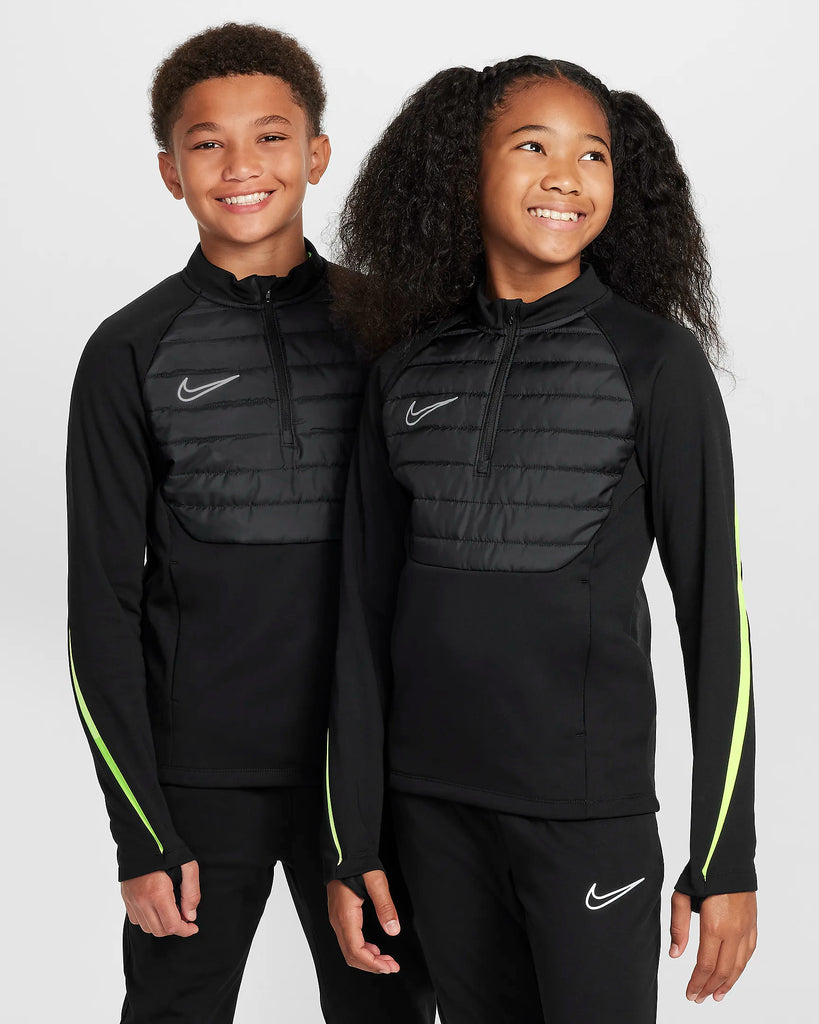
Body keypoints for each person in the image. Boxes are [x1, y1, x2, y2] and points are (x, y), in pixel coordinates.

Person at [323, 56, 757, 1023]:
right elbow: (359, 618)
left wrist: (724, 854)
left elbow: (714, 622)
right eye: (532, 146)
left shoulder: (655, 363)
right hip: (430, 810)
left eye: (592, 155)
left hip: (586, 814)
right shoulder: (404, 367)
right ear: (463, 168)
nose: (566, 176)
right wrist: (350, 842)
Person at [66, 22, 433, 1024]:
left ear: (316, 154)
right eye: (207, 143)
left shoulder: (392, 332)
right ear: (170, 172)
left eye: (270, 137)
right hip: (198, 780)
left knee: (390, 1010)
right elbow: (102, 603)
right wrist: (141, 831)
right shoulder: (129, 351)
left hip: (369, 774)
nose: (241, 167)